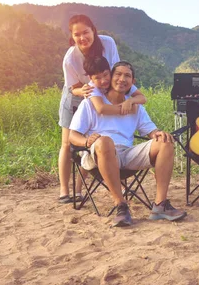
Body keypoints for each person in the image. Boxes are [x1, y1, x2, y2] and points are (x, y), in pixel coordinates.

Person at [69, 61, 187, 227]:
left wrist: (157, 134)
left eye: (127, 76)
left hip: (126, 155)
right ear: (110, 77)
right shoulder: (90, 103)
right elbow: (72, 136)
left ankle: (160, 205)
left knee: (164, 142)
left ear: (133, 82)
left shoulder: (135, 106)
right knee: (105, 141)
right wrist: (86, 141)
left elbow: (150, 130)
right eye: (118, 74)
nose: (122, 79)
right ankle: (121, 206)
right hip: (97, 155)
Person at [57, 14, 146, 204]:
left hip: (101, 89)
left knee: (93, 139)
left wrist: (129, 98)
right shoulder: (70, 57)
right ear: (72, 36)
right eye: (77, 34)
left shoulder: (108, 43)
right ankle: (65, 190)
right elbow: (73, 87)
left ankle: (81, 189)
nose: (82, 38)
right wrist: (86, 90)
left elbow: (114, 71)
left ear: (93, 30)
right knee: (68, 142)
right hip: (78, 94)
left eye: (86, 32)